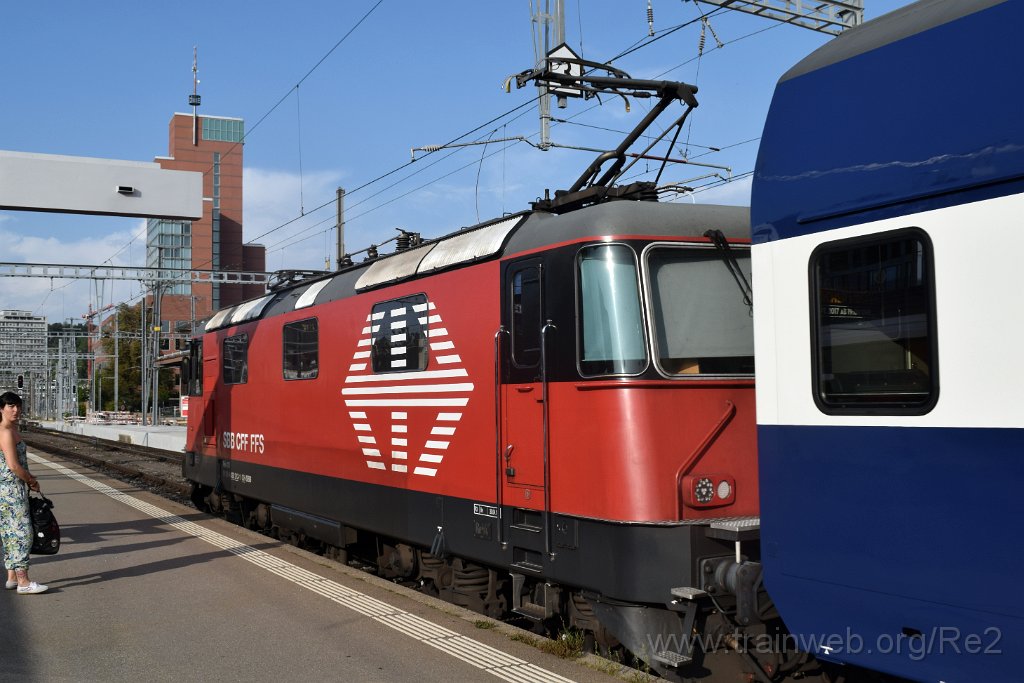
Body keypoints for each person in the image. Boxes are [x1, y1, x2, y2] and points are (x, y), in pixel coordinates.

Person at [0, 391, 47, 594]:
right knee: (22, 533)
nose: (16, 410)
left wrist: (27, 478)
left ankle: (11, 577)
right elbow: (13, 465)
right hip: (11, 489)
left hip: (8, 488)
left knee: (9, 532)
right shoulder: (6, 432)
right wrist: (31, 480)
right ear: (1, 409)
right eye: (11, 406)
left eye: (18, 406)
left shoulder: (9, 429)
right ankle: (24, 582)